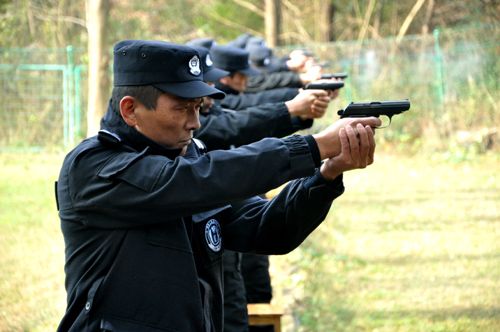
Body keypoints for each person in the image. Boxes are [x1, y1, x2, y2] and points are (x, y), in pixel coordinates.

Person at [55, 39, 380, 332]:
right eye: (182, 108)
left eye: (198, 108)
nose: (195, 123)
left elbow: (269, 228)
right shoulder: (94, 166)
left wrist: (326, 175)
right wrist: (312, 146)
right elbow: (196, 179)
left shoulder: (186, 157)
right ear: (130, 109)